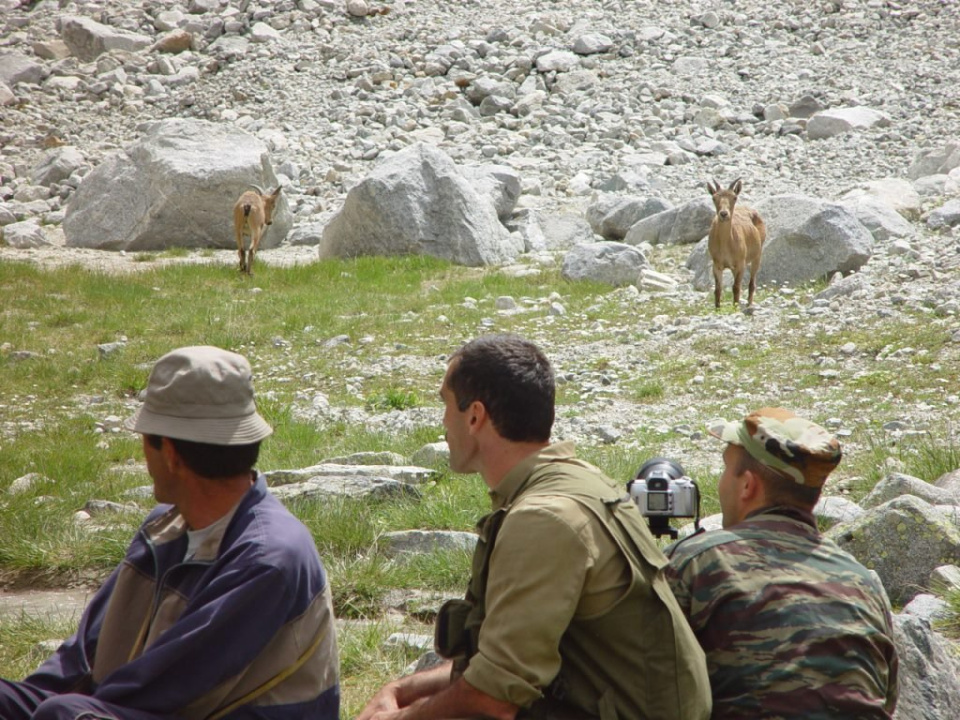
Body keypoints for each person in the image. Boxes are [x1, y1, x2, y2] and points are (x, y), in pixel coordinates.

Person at [358, 333, 711, 720]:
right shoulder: (578, 482)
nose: (443, 423)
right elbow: (509, 660)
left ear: (474, 416)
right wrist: (402, 689)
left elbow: (495, 697)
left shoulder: (544, 519)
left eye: (445, 404)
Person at [0, 346, 340, 720]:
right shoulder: (164, 528)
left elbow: (163, 689)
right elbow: (82, 660)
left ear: (172, 454)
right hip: (137, 707)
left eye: (145, 438)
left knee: (64, 715)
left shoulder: (269, 559)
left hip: (169, 709)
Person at [665, 407, 899, 719]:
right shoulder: (862, 581)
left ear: (748, 485)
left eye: (725, 470)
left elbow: (646, 680)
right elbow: (887, 697)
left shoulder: (697, 561)